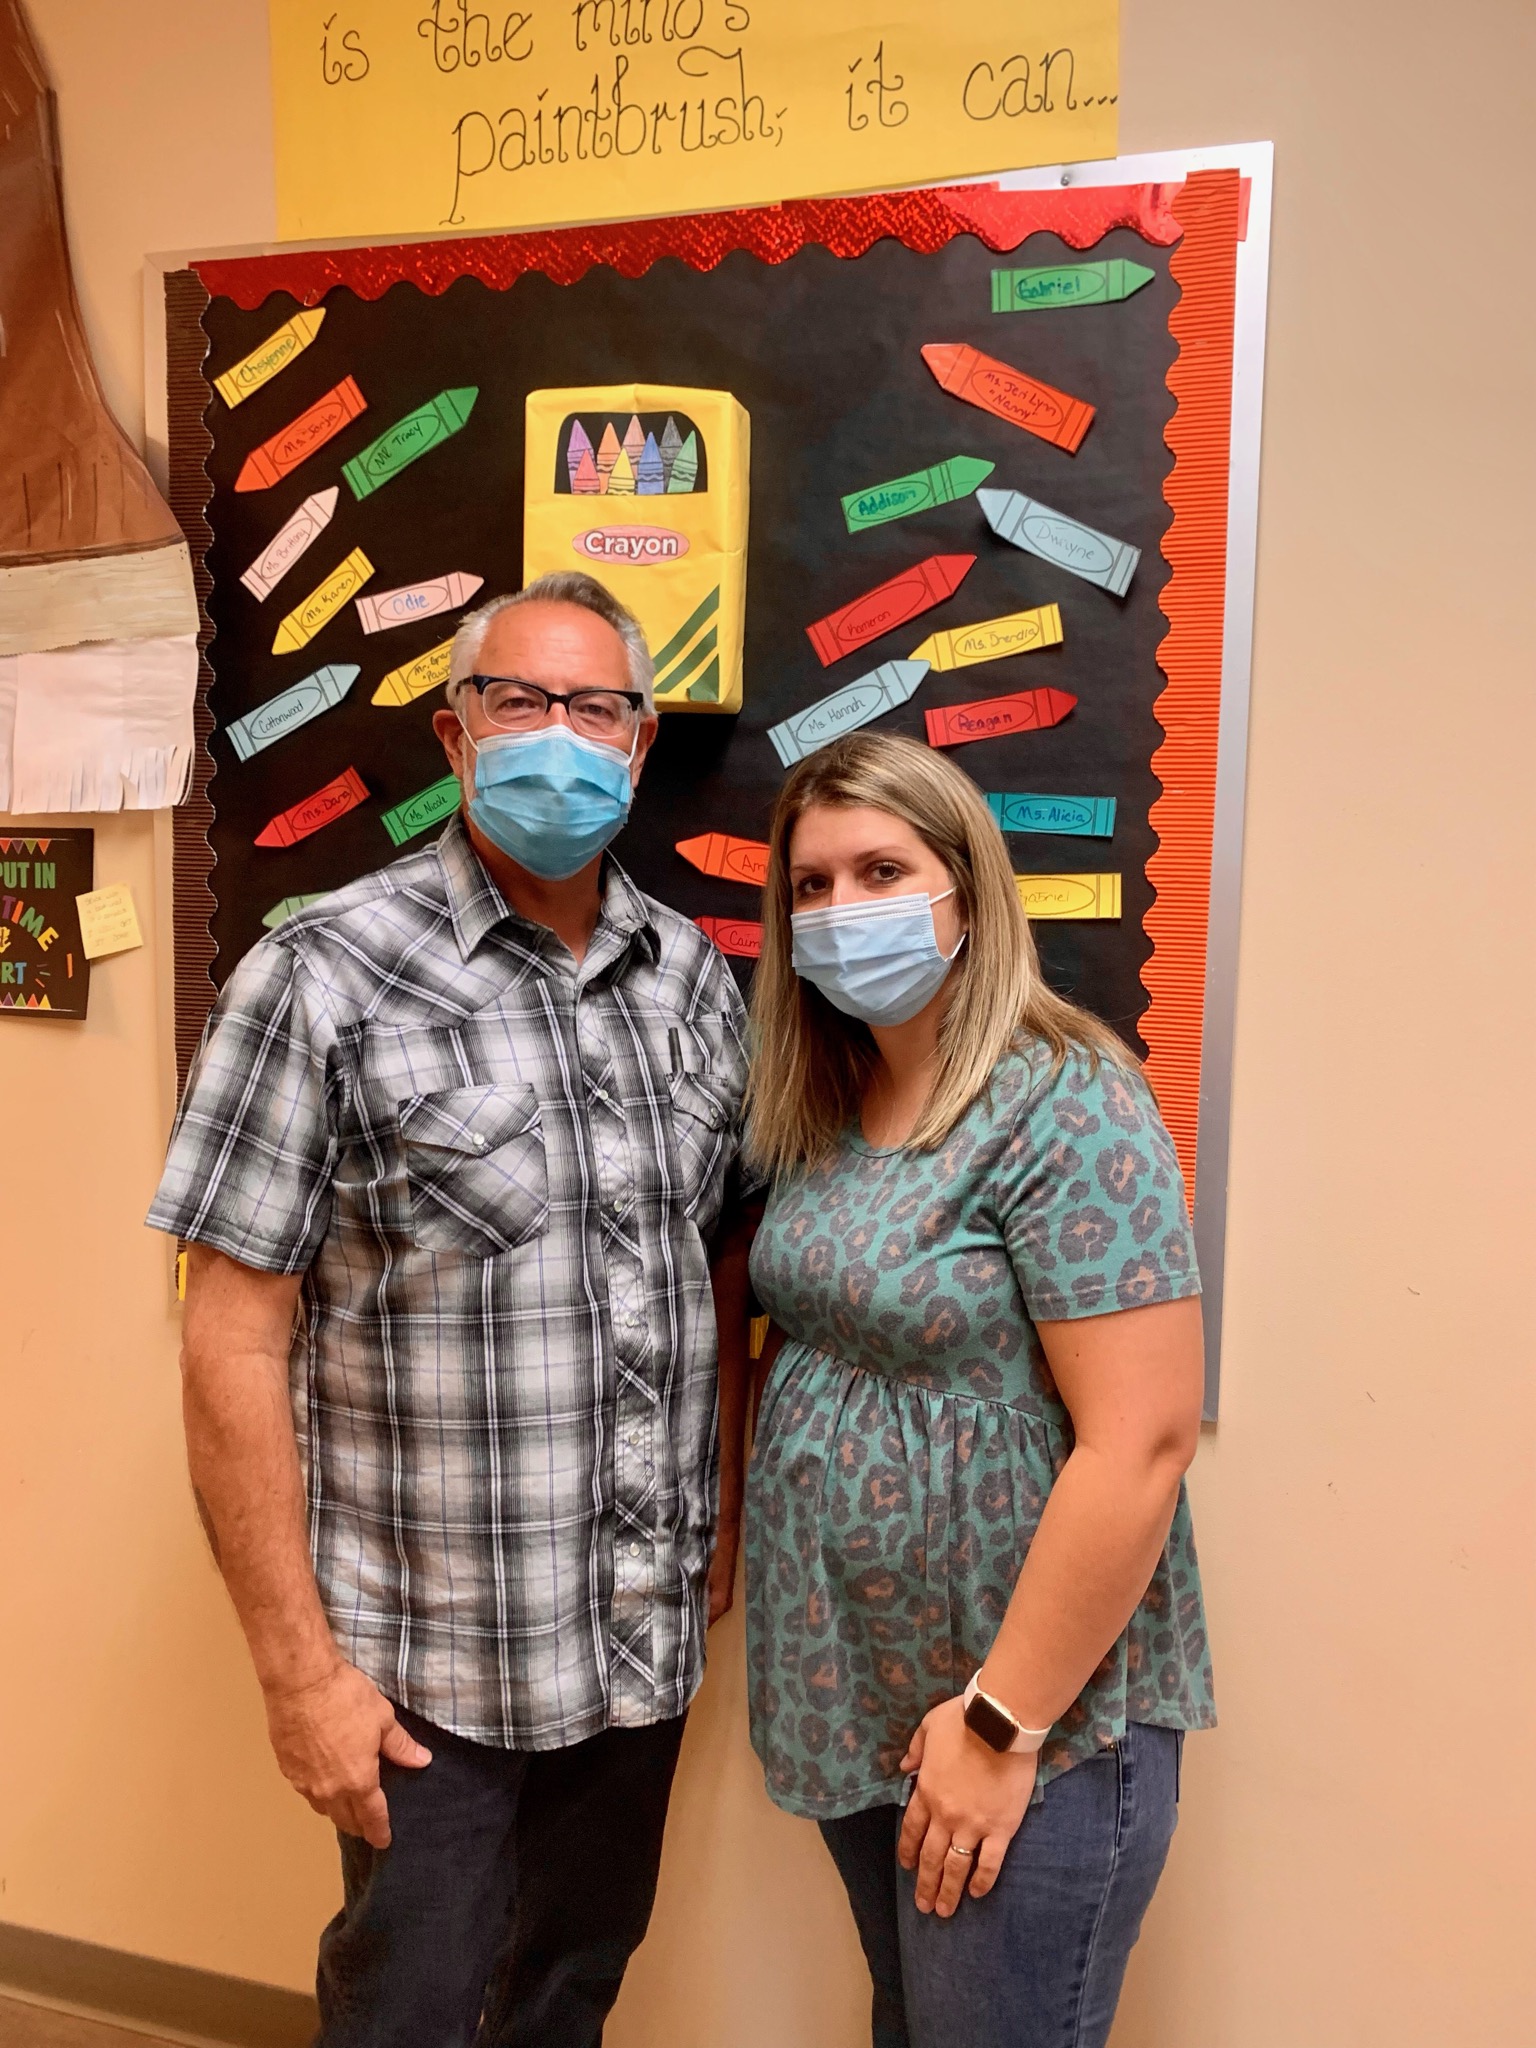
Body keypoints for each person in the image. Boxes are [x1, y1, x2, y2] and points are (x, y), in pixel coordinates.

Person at [148, 573, 758, 2048]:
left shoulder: (690, 977)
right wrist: (299, 1675)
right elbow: (230, 1337)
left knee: (567, 1994)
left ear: (639, 737)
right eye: (519, 700)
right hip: (429, 1668)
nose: (559, 734)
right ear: (452, 733)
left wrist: (720, 1515)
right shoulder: (320, 973)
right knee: (409, 2013)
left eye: (595, 706)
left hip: (634, 1636)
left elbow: (720, 1257)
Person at [742, 733, 1215, 2048]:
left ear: (967, 888)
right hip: (866, 1694)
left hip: (1028, 1717)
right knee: (914, 2022)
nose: (842, 911)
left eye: (882, 869)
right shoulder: (826, 1104)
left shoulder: (1066, 1102)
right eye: (813, 886)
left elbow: (1144, 1443)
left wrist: (1000, 1724)